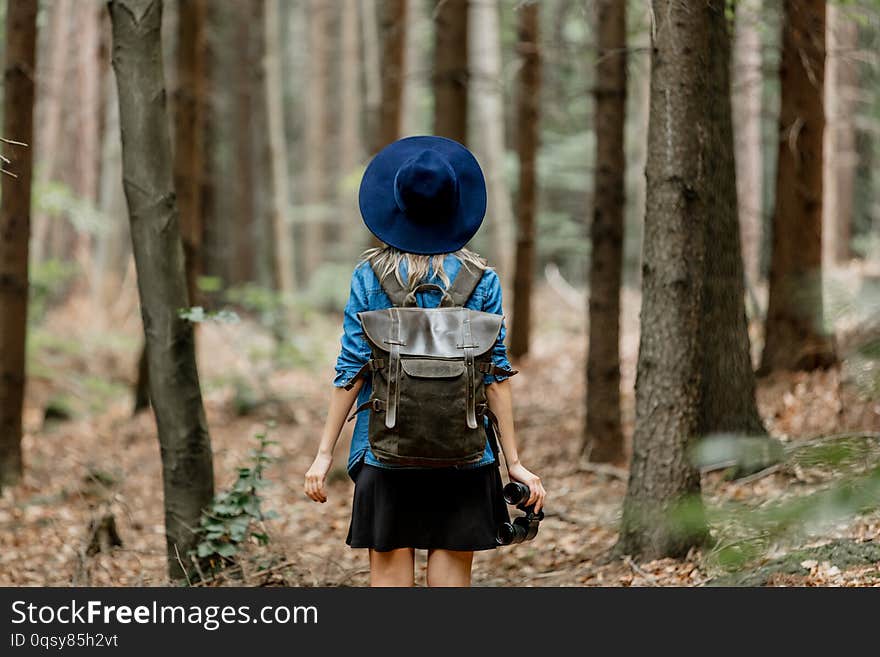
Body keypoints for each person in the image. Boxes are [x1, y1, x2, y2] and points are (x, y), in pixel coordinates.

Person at [304, 135, 546, 587]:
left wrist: (323, 455)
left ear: (396, 206)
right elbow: (496, 376)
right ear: (456, 208)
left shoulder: (370, 276)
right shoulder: (482, 280)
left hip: (384, 452)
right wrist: (513, 462)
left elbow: (351, 370)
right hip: (466, 454)